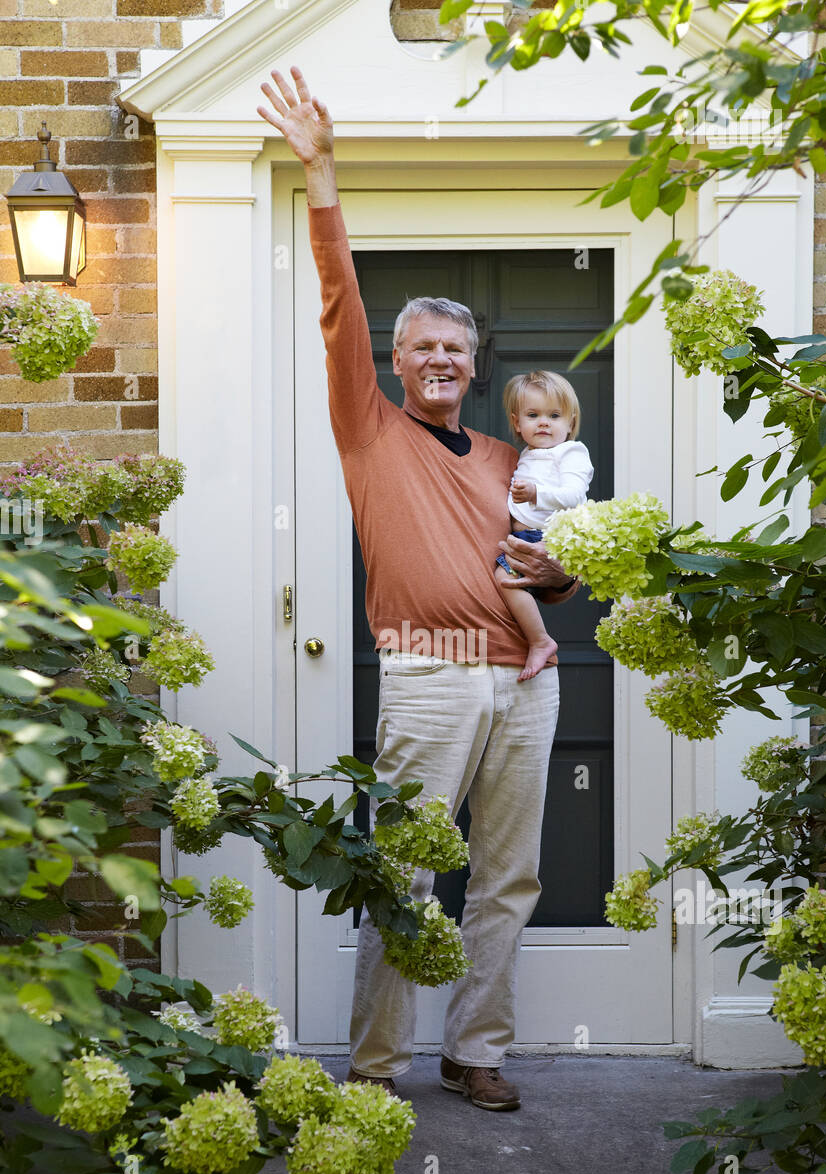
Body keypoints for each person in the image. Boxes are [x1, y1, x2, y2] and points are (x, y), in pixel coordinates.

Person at [257, 67, 581, 1111]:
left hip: (525, 685)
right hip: (429, 675)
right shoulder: (369, 428)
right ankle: (375, 1066)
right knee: (404, 875)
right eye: (422, 346)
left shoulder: (503, 457)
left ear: (473, 364)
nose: (440, 358)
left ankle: (474, 1049)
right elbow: (338, 302)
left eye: (455, 347)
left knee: (505, 877)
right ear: (395, 362)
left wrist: (558, 571)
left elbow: (557, 574)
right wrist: (320, 172)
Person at [495, 370, 594, 681]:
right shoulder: (527, 454)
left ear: (570, 423)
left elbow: (575, 495)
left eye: (554, 415)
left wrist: (537, 494)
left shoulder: (570, 452)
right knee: (508, 583)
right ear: (516, 422)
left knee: (504, 579)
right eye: (533, 415)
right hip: (522, 535)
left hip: (545, 537)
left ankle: (540, 641)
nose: (543, 423)